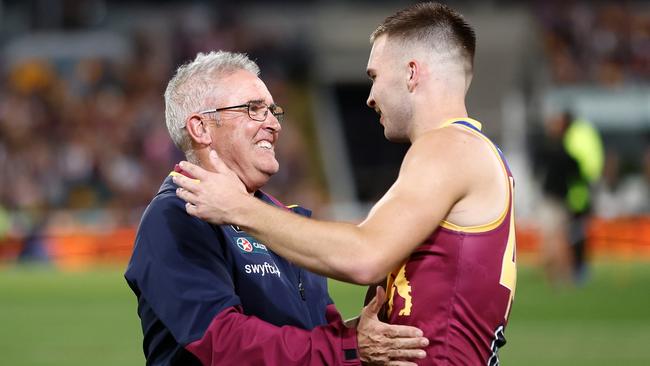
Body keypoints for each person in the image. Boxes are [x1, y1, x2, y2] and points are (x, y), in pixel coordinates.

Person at [174, 3, 517, 365]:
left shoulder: (447, 148)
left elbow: (365, 255)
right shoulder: (471, 153)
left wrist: (239, 208)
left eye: (374, 75)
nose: (370, 96)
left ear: (411, 73)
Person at [124, 51, 429, 365]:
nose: (273, 124)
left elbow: (318, 330)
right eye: (253, 109)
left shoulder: (280, 219)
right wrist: (351, 347)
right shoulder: (176, 215)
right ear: (201, 128)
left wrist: (370, 335)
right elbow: (223, 343)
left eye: (272, 110)